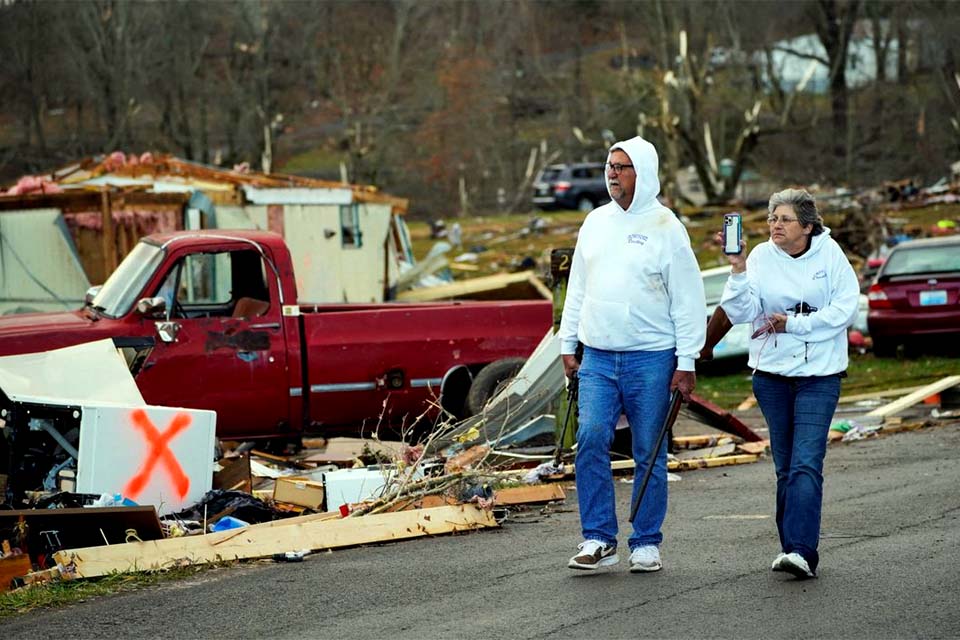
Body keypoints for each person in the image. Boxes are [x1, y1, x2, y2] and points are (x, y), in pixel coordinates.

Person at [559, 136, 706, 573]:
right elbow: (577, 289)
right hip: (599, 357)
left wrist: (687, 361)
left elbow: (688, 300)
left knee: (649, 450)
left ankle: (646, 541)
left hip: (652, 358)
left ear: (642, 173)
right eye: (609, 166)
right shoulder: (595, 222)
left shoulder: (667, 227)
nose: (612, 174)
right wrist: (568, 344)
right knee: (590, 439)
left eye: (622, 167)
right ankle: (599, 539)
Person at [717, 188, 859, 579]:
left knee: (807, 463)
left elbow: (845, 308)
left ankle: (802, 551)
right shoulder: (761, 256)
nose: (775, 225)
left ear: (808, 226)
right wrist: (738, 267)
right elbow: (742, 311)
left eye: (784, 220)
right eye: (772, 219)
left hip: (820, 376)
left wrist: (795, 324)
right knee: (786, 467)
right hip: (773, 377)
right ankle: (790, 547)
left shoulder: (830, 255)